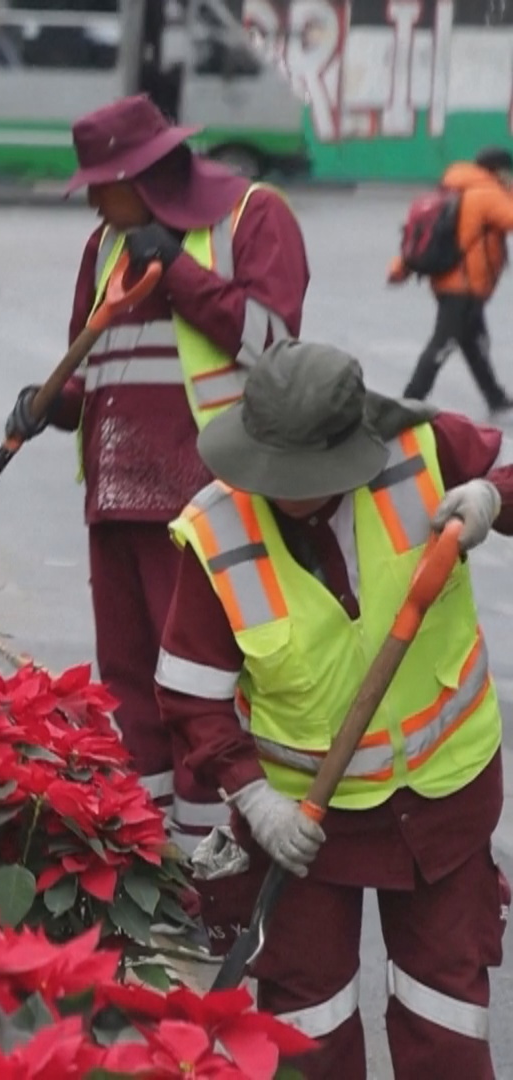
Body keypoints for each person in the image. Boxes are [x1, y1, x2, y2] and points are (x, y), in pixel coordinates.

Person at [158, 341, 510, 1079]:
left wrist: (493, 498)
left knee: (443, 1001)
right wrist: (256, 802)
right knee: (305, 1017)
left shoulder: (423, 452)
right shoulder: (218, 533)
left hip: (444, 793)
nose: (287, 490)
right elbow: (192, 695)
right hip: (307, 825)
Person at [4, 95, 310, 938]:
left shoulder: (256, 216)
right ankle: (151, 875)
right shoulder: (103, 244)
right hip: (119, 505)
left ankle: (213, 888)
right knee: (132, 696)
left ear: (144, 176)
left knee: (202, 699)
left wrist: (175, 268)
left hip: (211, 506)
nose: (95, 204)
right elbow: (92, 364)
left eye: (104, 186)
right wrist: (50, 403)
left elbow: (276, 344)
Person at [391, 147, 513, 417]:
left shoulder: (454, 188)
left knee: (474, 341)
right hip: (464, 286)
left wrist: (401, 267)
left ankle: (495, 395)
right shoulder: (487, 194)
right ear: (497, 171)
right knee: (443, 343)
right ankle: (409, 400)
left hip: (450, 282)